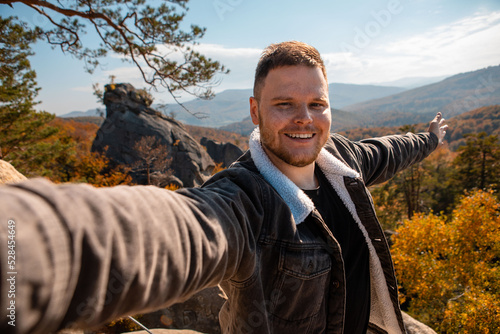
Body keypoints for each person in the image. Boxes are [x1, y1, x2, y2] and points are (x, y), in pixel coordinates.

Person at [0, 41, 447, 334]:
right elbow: (172, 232)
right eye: (284, 105)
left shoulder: (341, 163)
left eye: (317, 104)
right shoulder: (244, 199)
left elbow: (389, 150)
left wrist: (429, 138)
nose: (304, 119)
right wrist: (35, 247)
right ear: (254, 111)